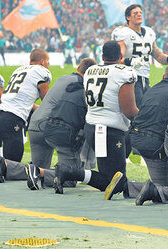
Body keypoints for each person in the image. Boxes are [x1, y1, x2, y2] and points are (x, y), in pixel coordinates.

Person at [54, 41, 138, 194]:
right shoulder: (124, 72)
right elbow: (130, 111)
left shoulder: (91, 71)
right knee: (117, 182)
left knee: (108, 179)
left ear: (102, 56)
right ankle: (68, 172)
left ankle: (69, 172)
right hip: (111, 131)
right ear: (120, 56)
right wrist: (146, 121)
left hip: (92, 128)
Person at [24, 58, 97, 190]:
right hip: (53, 125)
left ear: (78, 66)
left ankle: (6, 166)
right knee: (70, 178)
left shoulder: (64, 78)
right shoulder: (81, 85)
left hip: (34, 124)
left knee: (38, 171)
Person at [0, 48, 51, 183]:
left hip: (1, 116)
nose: (49, 64)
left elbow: (21, 99)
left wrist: (37, 109)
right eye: (48, 61)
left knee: (9, 162)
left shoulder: (19, 69)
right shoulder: (42, 72)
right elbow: (46, 99)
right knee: (13, 166)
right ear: (42, 61)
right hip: (13, 118)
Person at [111, 4, 168, 106]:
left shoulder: (149, 32)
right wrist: (130, 62)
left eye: (140, 13)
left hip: (144, 78)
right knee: (138, 108)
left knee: (147, 106)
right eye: (135, 13)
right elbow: (116, 59)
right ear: (128, 17)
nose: (139, 15)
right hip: (128, 78)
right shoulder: (124, 33)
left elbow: (158, 56)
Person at [130, 64, 168, 186]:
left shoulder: (150, 90)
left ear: (164, 76)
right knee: (161, 187)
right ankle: (127, 186)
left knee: (162, 184)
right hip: (154, 143)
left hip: (136, 137)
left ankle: (129, 186)